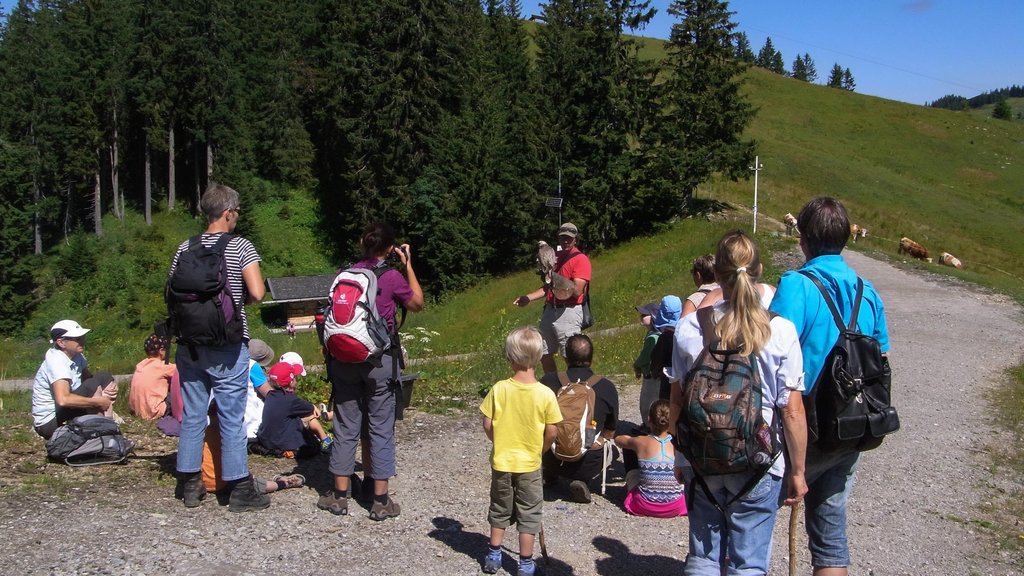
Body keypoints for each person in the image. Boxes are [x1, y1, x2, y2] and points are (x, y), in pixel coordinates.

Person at [668, 229, 808, 576]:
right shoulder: (780, 331)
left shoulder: (689, 327)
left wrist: (680, 456)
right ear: (758, 270)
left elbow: (677, 400)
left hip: (703, 457)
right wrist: (798, 471)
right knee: (749, 562)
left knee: (702, 558)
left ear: (716, 274)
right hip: (758, 459)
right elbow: (790, 409)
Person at [769, 197, 890, 576]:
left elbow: (774, 352)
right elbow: (880, 354)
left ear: (803, 239)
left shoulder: (796, 285)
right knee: (830, 532)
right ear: (845, 239)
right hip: (851, 424)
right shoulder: (866, 291)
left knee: (753, 518)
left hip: (802, 421)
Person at [169, 182, 268, 513]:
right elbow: (256, 292)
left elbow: (171, 293)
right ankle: (239, 486)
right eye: (237, 213)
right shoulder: (241, 246)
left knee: (193, 414)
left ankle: (190, 484)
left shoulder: (184, 248)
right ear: (228, 213)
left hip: (189, 346)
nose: (237, 218)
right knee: (230, 414)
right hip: (227, 344)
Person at [318, 222, 424, 520]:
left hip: (343, 361)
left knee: (345, 424)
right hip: (378, 363)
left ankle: (339, 497)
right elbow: (417, 303)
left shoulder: (344, 274)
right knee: (379, 426)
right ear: (390, 248)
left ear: (362, 244)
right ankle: (379, 500)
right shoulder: (390, 276)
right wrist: (408, 265)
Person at [480, 326, 562, 576]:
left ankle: (494, 554)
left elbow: (487, 423)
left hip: (503, 461)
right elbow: (553, 431)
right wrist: (540, 449)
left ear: (509, 357)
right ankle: (525, 563)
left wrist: (500, 441)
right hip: (529, 463)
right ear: (538, 358)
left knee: (499, 507)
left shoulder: (499, 389)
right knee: (529, 512)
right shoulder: (545, 394)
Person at [541, 334, 619, 504]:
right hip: (588, 462)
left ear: (565, 357)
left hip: (549, 455)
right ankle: (583, 479)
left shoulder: (548, 381)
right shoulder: (606, 387)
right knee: (612, 449)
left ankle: (551, 473)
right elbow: (610, 429)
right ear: (591, 358)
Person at [513, 222, 592, 374]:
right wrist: (528, 298)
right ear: (558, 238)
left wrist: (554, 277)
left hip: (568, 311)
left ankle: (576, 385)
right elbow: (548, 287)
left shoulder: (581, 260)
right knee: (543, 351)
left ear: (575, 239)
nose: (566, 241)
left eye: (569, 238)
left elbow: (576, 290)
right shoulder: (555, 256)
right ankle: (553, 384)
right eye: (563, 237)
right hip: (550, 309)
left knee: (570, 354)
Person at [31, 320, 118, 440]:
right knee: (91, 387)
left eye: (82, 337)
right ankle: (104, 433)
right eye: (77, 338)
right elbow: (63, 399)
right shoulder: (57, 361)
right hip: (50, 421)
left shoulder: (77, 356)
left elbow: (90, 378)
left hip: (65, 410)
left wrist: (109, 388)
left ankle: (107, 426)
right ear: (61, 342)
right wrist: (98, 402)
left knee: (104, 377)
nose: (82, 340)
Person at [613, 400, 687, 518]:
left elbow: (618, 440)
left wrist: (633, 439)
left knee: (630, 451)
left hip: (644, 505)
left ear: (649, 419)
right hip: (675, 506)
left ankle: (641, 487)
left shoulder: (641, 442)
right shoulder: (678, 442)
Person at [255, 361, 333, 458]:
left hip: (267, 442)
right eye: (295, 377)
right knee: (310, 418)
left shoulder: (270, 395)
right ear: (291, 381)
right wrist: (313, 406)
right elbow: (308, 408)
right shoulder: (291, 400)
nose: (297, 379)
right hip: (286, 444)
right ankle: (325, 440)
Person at [634, 296, 682, 429]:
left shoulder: (664, 338)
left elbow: (656, 359)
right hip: (681, 378)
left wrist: (654, 371)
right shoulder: (683, 332)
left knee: (662, 404)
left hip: (665, 380)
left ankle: (657, 429)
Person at [128, 333, 180, 421]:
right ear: (161, 350)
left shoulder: (141, 365)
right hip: (154, 411)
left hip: (137, 411)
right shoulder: (162, 366)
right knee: (179, 392)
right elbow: (182, 370)